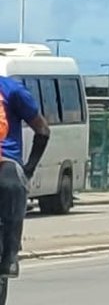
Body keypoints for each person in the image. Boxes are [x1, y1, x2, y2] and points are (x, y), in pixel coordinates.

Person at [0, 76, 50, 278]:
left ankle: (10, 254)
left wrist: (28, 168)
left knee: (13, 185)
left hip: (4, 158)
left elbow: (42, 129)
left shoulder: (11, 90)